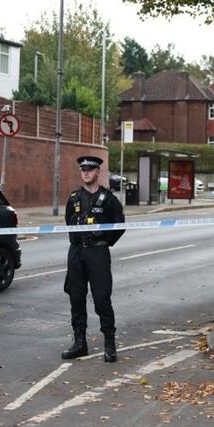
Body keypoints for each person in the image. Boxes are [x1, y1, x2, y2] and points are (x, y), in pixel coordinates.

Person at [61, 155, 125, 362]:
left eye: (90, 169)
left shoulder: (109, 200)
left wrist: (105, 241)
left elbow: (119, 224)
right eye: (83, 169)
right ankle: (80, 343)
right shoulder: (73, 198)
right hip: (77, 252)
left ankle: (109, 344)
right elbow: (68, 221)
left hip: (98, 253)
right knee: (76, 298)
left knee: (101, 298)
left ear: (98, 172)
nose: (85, 172)